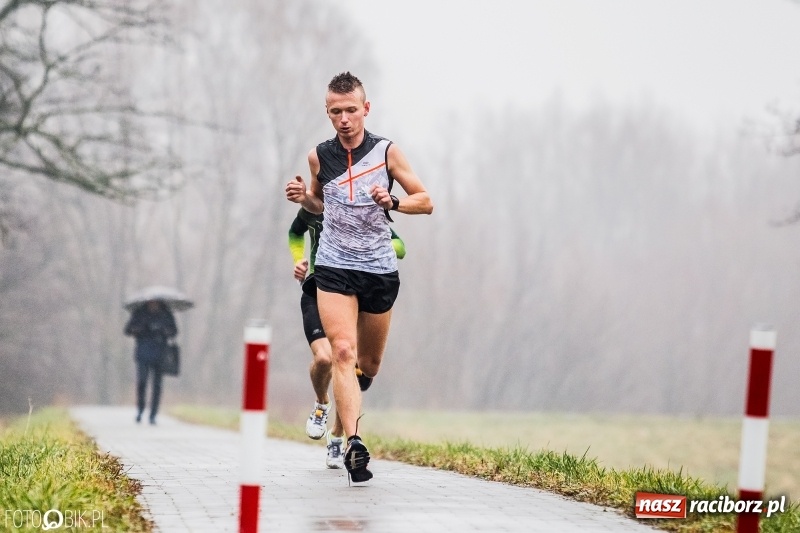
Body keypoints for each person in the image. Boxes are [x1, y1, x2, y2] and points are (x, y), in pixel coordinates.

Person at [285, 72, 433, 482]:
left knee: (368, 364)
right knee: (342, 352)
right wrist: (305, 199)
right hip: (333, 265)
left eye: (352, 110)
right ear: (328, 113)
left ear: (366, 109)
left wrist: (395, 202)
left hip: (379, 268)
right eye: (336, 112)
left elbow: (427, 201)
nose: (345, 119)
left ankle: (340, 425)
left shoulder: (387, 152)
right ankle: (353, 442)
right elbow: (318, 203)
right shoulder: (319, 156)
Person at [288, 206, 407, 469]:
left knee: (352, 363)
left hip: (354, 290)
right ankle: (321, 403)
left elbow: (399, 245)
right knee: (324, 358)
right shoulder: (313, 206)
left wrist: (381, 247)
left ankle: (339, 436)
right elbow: (295, 233)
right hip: (319, 288)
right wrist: (298, 260)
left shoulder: (362, 211)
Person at [124, 299, 177, 424]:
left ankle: (153, 414)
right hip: (143, 353)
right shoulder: (139, 313)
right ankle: (140, 409)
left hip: (160, 354)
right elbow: (128, 330)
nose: (154, 304)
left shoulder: (166, 314)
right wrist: (141, 328)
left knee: (157, 386)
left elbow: (174, 331)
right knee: (142, 382)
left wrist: (163, 330)